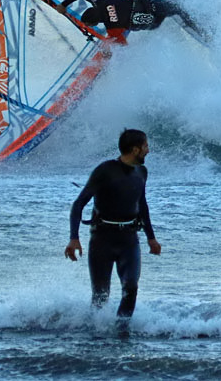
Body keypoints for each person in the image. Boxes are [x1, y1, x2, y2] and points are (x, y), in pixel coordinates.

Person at [65, 129, 161, 328]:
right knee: (101, 295)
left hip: (129, 239)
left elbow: (142, 205)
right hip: (102, 239)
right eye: (145, 146)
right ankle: (96, 333)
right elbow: (79, 204)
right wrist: (74, 238)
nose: (148, 150)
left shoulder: (141, 172)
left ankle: (121, 329)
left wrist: (151, 238)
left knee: (131, 287)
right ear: (135, 149)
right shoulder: (105, 171)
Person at [58, 0, 208, 43]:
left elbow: (122, 44)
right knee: (176, 6)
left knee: (177, 10)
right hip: (152, 5)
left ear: (97, 21)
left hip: (153, 21)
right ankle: (200, 18)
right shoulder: (99, 2)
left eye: (90, 25)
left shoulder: (112, 28)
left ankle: (203, 33)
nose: (89, 27)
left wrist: (107, 44)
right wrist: (63, 5)